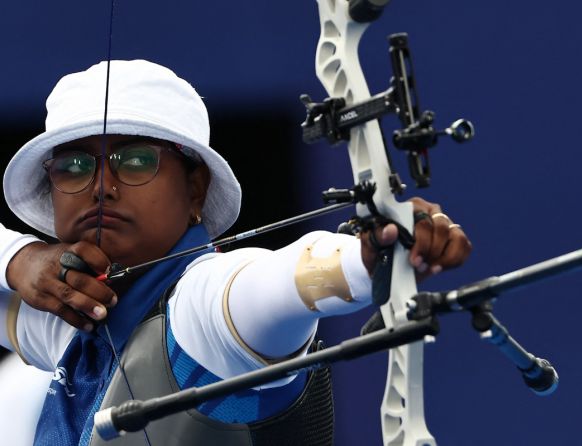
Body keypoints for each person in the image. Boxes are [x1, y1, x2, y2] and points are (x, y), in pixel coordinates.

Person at [0, 59, 471, 445]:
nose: (101, 187)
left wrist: (368, 257)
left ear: (196, 190)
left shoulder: (205, 308)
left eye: (137, 159)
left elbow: (279, 283)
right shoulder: (67, 322)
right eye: (74, 166)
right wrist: (17, 258)